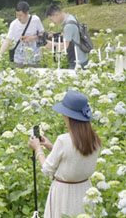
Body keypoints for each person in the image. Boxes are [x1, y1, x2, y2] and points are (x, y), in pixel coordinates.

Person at [28, 90, 101, 218]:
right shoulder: (94, 139)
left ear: (69, 116)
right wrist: (51, 147)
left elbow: (46, 170)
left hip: (64, 194)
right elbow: (73, 158)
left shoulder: (63, 140)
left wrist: (38, 149)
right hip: (85, 190)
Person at [0, 1, 45, 68]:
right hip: (19, 57)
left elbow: (43, 34)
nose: (18, 17)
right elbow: (8, 40)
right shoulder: (14, 24)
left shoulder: (35, 20)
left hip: (34, 56)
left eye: (20, 15)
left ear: (27, 13)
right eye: (17, 15)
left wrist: (32, 38)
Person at [45, 4, 89, 69]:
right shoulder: (70, 17)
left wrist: (52, 44)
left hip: (77, 61)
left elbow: (65, 45)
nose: (53, 22)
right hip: (82, 57)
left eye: (52, 20)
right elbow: (73, 33)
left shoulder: (68, 25)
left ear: (56, 15)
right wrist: (59, 34)